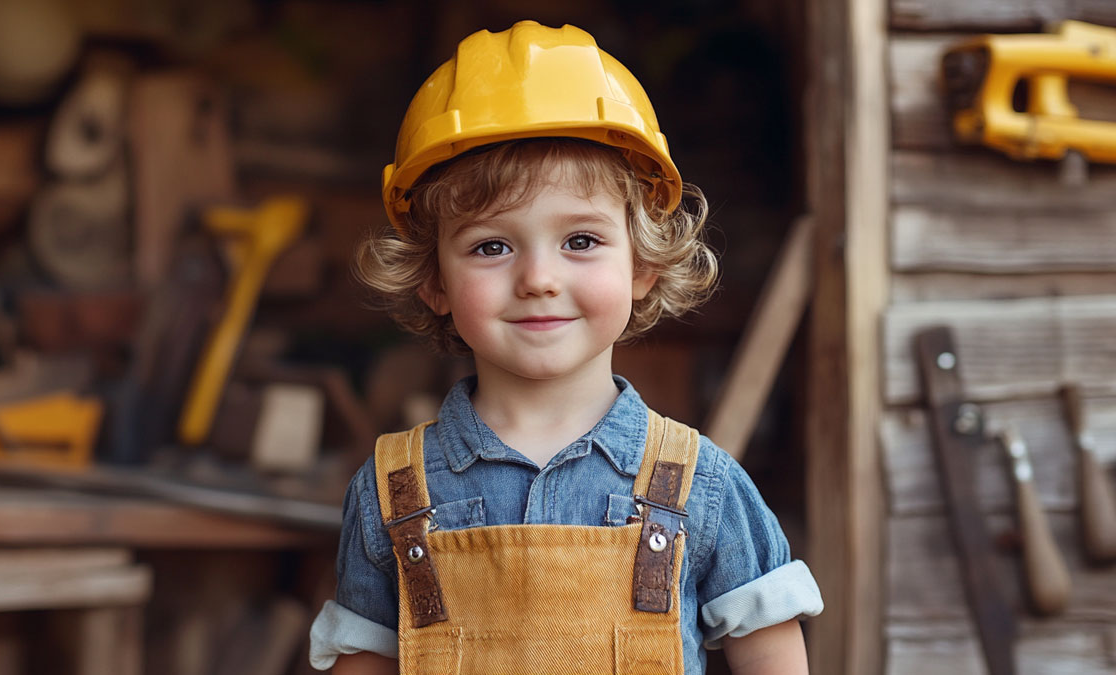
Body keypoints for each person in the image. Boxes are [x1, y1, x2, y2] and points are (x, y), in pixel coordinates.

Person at [309, 20, 823, 675]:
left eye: (580, 240)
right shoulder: (391, 492)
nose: (539, 278)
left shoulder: (702, 483)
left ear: (643, 266)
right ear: (435, 281)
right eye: (491, 246)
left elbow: (771, 651)